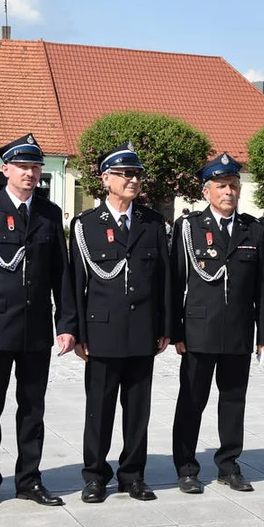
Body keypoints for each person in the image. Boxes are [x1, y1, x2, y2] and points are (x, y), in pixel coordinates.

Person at [0, 134, 76, 511]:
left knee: (33, 409)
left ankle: (29, 479)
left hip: (36, 329)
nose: (30, 174)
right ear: (5, 169)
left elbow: (61, 273)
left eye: (35, 167)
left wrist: (66, 322)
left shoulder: (49, 213)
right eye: (23, 167)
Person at [69, 143, 171, 503]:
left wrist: (165, 326)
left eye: (137, 174)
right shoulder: (85, 226)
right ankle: (95, 475)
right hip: (101, 330)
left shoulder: (152, 222)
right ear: (105, 178)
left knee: (138, 409)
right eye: (125, 174)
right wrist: (79, 332)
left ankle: (133, 475)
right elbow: (76, 283)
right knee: (99, 409)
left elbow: (164, 280)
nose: (133, 180)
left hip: (143, 330)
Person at [171, 154, 264, 494]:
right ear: (206, 191)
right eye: (221, 186)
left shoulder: (254, 229)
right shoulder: (189, 228)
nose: (228, 192)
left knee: (233, 401)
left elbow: (262, 286)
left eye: (233, 186)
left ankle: (229, 465)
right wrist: (175, 331)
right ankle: (186, 467)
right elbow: (175, 282)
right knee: (192, 400)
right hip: (198, 331)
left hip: (239, 331)